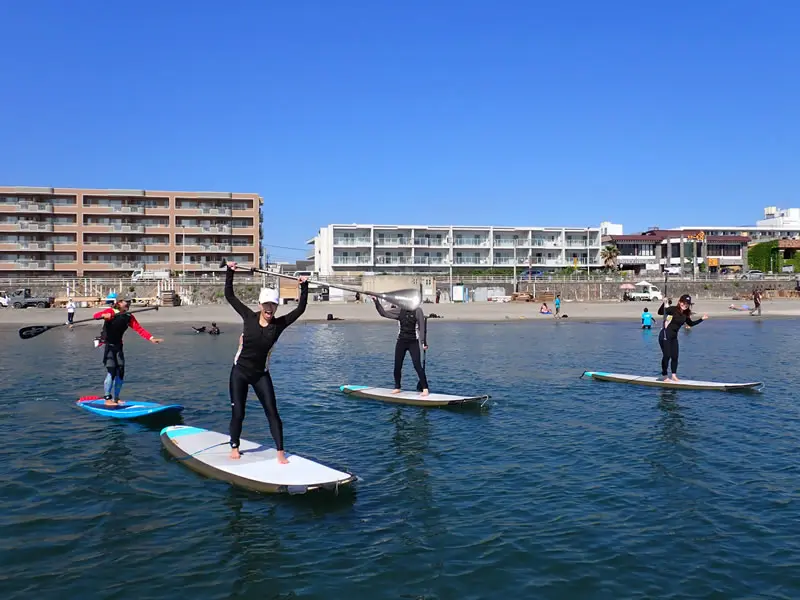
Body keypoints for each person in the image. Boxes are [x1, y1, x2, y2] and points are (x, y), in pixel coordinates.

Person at [224, 261, 308, 463]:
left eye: (274, 305)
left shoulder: (279, 325)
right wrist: (230, 271)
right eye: (267, 305)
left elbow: (300, 309)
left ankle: (280, 451)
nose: (270, 309)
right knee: (239, 412)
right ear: (260, 305)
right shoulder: (248, 317)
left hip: (261, 374)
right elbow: (230, 296)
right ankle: (234, 446)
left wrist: (303, 287)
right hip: (240, 372)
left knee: (272, 412)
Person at [93, 299, 163, 405]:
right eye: (124, 302)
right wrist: (103, 315)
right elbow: (96, 315)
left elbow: (139, 329)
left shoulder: (128, 316)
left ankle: (116, 398)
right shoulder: (111, 312)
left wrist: (151, 338)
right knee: (111, 371)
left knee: (120, 371)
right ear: (119, 304)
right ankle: (107, 399)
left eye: (128, 303)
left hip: (118, 346)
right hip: (107, 345)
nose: (127, 303)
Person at [373, 297, 429, 396]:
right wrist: (376, 301)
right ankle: (397, 387)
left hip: (413, 342)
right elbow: (383, 313)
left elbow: (421, 327)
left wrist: (423, 342)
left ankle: (425, 388)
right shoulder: (399, 311)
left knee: (417, 366)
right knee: (397, 366)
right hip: (401, 341)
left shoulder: (418, 311)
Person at [657, 294, 708, 382]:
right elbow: (661, 312)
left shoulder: (685, 314)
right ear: (680, 302)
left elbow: (690, 324)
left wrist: (702, 319)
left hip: (673, 337)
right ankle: (664, 375)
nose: (685, 305)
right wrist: (664, 302)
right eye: (683, 303)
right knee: (667, 356)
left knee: (675, 357)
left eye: (687, 304)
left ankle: (674, 375)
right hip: (665, 335)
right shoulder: (673, 309)